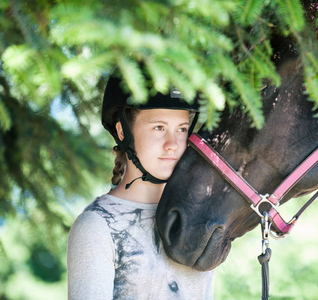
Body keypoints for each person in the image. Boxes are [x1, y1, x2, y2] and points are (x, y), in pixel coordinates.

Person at [67, 73, 213, 299]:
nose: (172, 144)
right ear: (122, 131)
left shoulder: (196, 218)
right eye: (159, 128)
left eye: (182, 129)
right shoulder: (97, 227)